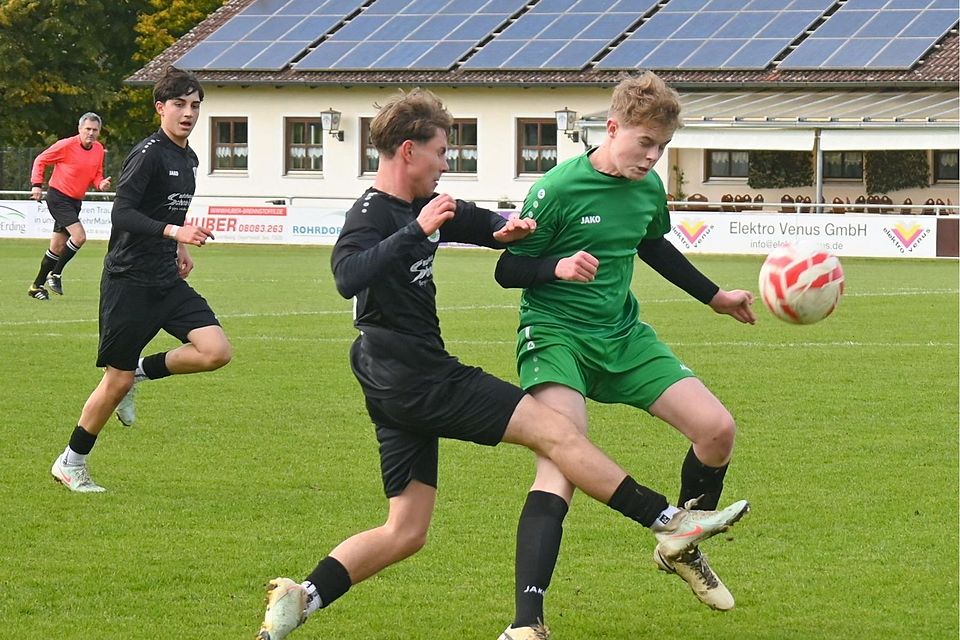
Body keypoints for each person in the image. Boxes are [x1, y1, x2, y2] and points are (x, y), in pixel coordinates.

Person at [256, 88, 749, 640]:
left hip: (390, 379)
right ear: (408, 151)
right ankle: (669, 522)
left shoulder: (428, 205)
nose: (447, 164)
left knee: (406, 529)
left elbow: (485, 226)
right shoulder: (372, 214)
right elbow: (348, 274)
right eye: (442, 152)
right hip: (419, 375)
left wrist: (507, 231)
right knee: (558, 435)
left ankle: (305, 596)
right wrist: (417, 231)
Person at [493, 72, 757, 638]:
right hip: (556, 335)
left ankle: (681, 543)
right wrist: (556, 267)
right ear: (612, 129)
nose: (653, 157)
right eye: (645, 143)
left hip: (623, 333)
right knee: (562, 460)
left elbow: (651, 243)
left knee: (717, 429)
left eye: (662, 147)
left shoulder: (648, 188)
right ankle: (526, 624)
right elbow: (506, 268)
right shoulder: (557, 188)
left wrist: (715, 297)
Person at [49, 66, 232, 492]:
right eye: (179, 105)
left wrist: (180, 246)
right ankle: (70, 462)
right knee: (114, 381)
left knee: (216, 350)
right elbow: (123, 213)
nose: (188, 113)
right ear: (160, 108)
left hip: (165, 278)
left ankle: (142, 373)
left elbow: (170, 210)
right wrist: (175, 233)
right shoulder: (148, 153)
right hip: (129, 280)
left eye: (195, 106)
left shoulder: (188, 157)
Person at [28, 112, 112, 299]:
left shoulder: (98, 149)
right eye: (87, 129)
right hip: (58, 197)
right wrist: (36, 185)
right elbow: (40, 160)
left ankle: (36, 287)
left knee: (57, 247)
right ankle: (55, 274)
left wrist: (101, 184)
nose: (91, 133)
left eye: (95, 130)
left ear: (99, 132)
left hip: (75, 201)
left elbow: (96, 175)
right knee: (79, 237)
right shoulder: (66, 145)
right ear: (79, 129)